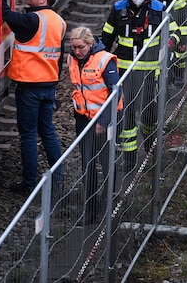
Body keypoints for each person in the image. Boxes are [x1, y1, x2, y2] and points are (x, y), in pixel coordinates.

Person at [101, 0, 175, 171]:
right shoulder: (118, 10)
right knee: (127, 117)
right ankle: (130, 159)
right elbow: (107, 38)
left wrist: (171, 44)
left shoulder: (159, 10)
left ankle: (152, 150)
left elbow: (173, 31)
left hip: (150, 74)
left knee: (150, 115)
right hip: (125, 73)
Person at [3, 0, 67, 195]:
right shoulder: (59, 22)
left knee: (28, 135)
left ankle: (29, 184)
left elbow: (6, 14)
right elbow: (59, 56)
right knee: (47, 131)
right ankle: (59, 179)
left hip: (29, 87)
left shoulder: (32, 20)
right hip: (48, 85)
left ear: (43, 0)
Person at [67, 26, 120, 226]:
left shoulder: (105, 61)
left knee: (106, 162)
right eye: (73, 47)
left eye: (80, 47)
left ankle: (111, 202)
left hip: (104, 120)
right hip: (83, 119)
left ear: (90, 44)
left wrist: (103, 121)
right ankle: (91, 210)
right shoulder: (72, 58)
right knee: (88, 164)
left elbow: (116, 93)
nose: (77, 51)